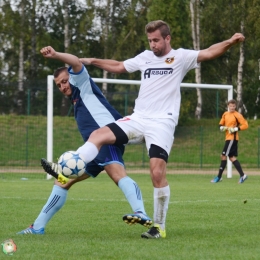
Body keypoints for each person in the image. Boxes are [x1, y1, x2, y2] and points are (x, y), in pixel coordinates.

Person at [47, 20, 245, 239]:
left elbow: (208, 52)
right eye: (150, 40)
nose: (153, 45)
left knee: (157, 173)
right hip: (138, 118)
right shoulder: (145, 57)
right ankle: (69, 166)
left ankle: (158, 227)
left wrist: (230, 41)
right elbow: (119, 66)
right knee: (98, 134)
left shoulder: (180, 57)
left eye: (156, 40)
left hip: (162, 122)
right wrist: (92, 60)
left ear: (167, 38)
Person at [17, 46, 152, 235]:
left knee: (117, 174)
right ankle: (37, 227)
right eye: (59, 85)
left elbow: (75, 61)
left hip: (107, 139)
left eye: (65, 81)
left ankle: (141, 212)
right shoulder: (75, 100)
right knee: (62, 181)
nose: (63, 86)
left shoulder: (82, 84)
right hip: (93, 148)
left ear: (72, 77)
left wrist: (55, 55)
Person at [211, 99, 248, 184]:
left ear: (235, 106)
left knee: (223, 155)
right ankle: (243, 175)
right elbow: (221, 123)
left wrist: (236, 128)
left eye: (234, 106)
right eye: (230, 106)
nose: (232, 107)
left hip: (232, 138)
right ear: (228, 106)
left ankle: (219, 177)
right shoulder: (225, 114)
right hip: (228, 138)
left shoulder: (237, 115)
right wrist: (221, 127)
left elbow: (245, 125)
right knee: (231, 157)